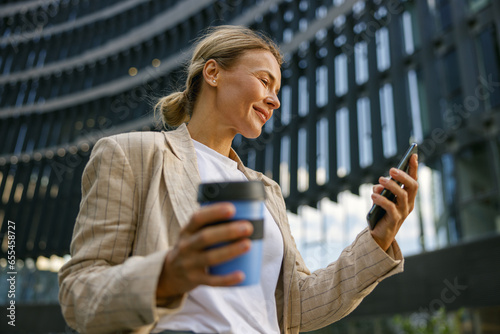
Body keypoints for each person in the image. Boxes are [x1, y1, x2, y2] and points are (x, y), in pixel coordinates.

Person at [58, 25, 419, 334]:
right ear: (213, 73)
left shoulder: (264, 190)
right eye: (265, 81)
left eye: (277, 90)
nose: (274, 101)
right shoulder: (132, 154)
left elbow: (298, 306)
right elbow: (80, 292)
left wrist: (378, 238)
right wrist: (165, 276)